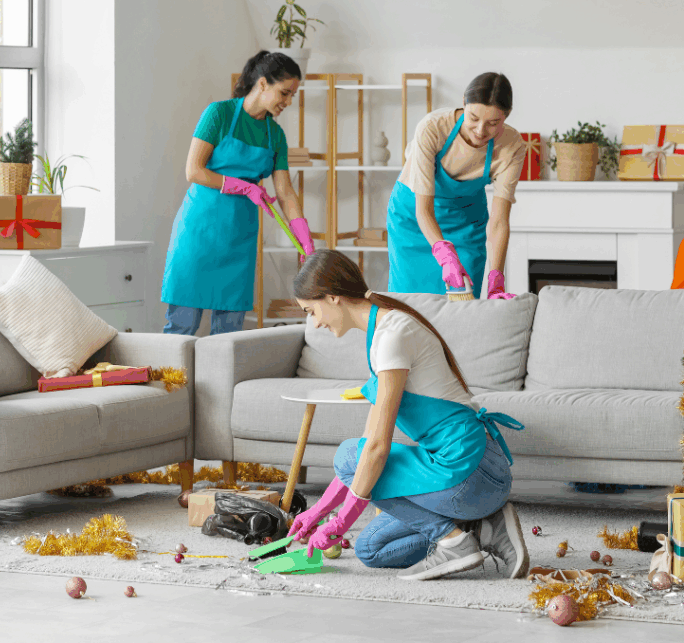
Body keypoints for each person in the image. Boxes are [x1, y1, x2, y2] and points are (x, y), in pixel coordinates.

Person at [289, 250, 528, 581]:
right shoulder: (380, 335)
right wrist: (317, 512)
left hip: (474, 473)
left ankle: (454, 542)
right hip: (462, 479)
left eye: (311, 311)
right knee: (371, 550)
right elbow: (367, 446)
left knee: (348, 455)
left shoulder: (392, 336)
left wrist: (341, 522)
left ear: (333, 297)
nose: (314, 321)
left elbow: (371, 452)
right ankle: (483, 527)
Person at [160, 51, 314, 335]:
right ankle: (170, 382)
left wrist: (305, 238)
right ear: (263, 83)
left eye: (293, 95)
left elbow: (285, 192)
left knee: (229, 337)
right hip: (199, 231)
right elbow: (194, 170)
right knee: (181, 327)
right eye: (285, 93)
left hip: (239, 238)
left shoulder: (275, 135)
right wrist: (242, 185)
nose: (288, 102)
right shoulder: (219, 114)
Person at [387, 72, 525, 299]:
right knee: (409, 304)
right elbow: (424, 209)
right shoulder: (433, 127)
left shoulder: (512, 146)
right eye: (473, 118)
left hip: (466, 225)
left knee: (464, 304)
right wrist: (444, 253)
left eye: (493, 123)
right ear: (464, 102)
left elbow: (499, 221)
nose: (481, 131)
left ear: (507, 116)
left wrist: (496, 280)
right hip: (414, 219)